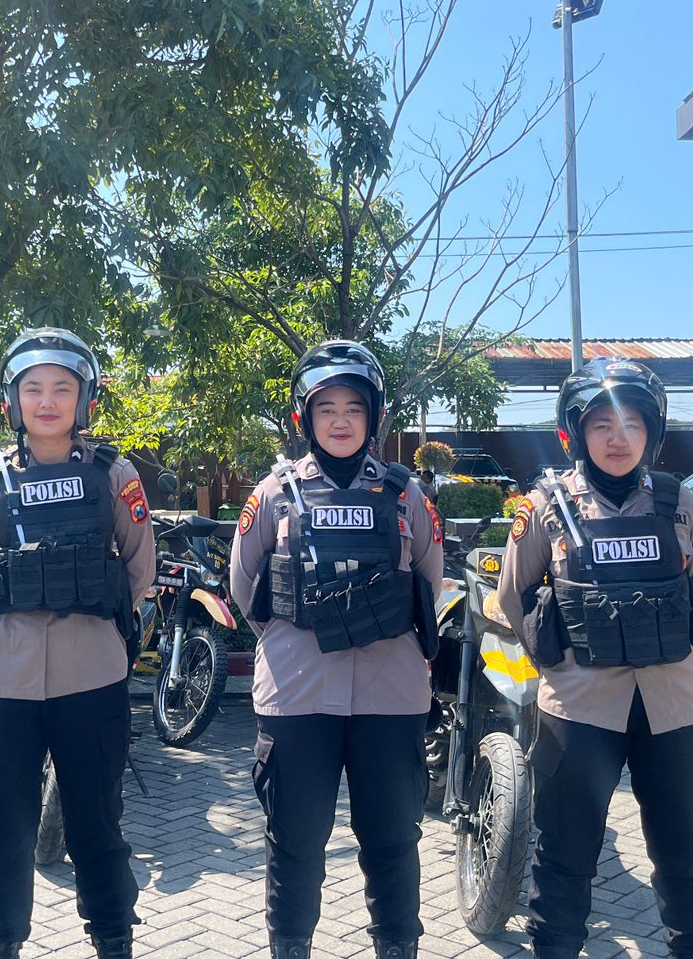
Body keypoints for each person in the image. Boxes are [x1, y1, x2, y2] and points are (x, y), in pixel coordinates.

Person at [494, 357, 693, 959]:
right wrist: (561, 665)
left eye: (631, 424)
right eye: (601, 425)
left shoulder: (680, 504)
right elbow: (514, 596)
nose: (617, 438)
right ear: (576, 433)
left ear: (652, 432)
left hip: (673, 709)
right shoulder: (545, 508)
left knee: (687, 855)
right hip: (579, 711)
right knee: (564, 854)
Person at [230, 340, 444, 959]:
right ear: (305, 417)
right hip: (298, 696)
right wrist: (299, 634)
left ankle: (396, 945)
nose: (341, 421)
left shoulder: (406, 495)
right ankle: (290, 945)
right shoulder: (274, 493)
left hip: (390, 695)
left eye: (354, 408)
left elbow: (428, 580)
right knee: (295, 838)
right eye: (327, 408)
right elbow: (245, 585)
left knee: (393, 838)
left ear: (374, 417)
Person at [0, 327, 157, 959]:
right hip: (3, 684)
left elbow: (138, 568)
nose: (47, 401)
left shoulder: (114, 475)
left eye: (62, 388)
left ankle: (113, 940)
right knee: (5, 835)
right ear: (12, 400)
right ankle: (0, 943)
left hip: (90, 681)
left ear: (84, 399)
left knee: (97, 829)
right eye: (33, 388)